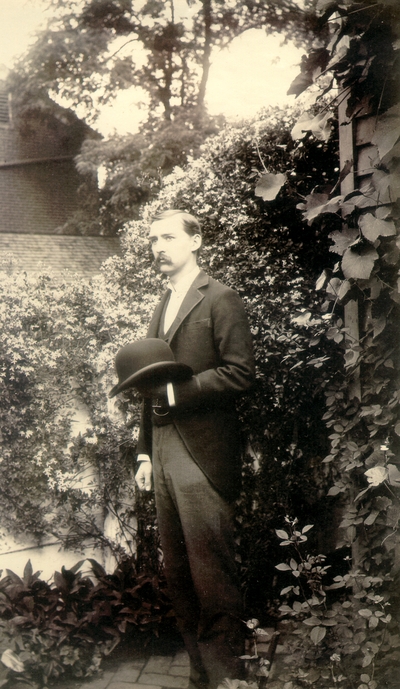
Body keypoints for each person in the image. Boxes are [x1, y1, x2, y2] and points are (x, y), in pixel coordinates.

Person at [134, 209, 255, 689]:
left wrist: (175, 394)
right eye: (152, 239)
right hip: (163, 449)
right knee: (179, 572)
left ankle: (225, 678)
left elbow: (241, 372)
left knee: (212, 573)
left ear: (196, 241)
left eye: (167, 237)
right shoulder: (161, 304)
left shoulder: (221, 298)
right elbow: (146, 383)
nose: (158, 247)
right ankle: (198, 675)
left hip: (202, 451)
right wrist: (144, 452)